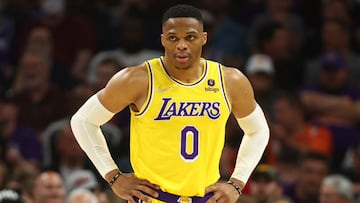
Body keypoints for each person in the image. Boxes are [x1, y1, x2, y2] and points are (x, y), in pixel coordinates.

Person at [70, 4, 269, 203]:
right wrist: (113, 176)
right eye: (173, 38)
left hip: (206, 198)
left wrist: (237, 182)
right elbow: (83, 121)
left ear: (203, 38)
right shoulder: (137, 79)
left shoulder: (229, 80)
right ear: (163, 40)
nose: (181, 45)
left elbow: (259, 130)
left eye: (190, 37)